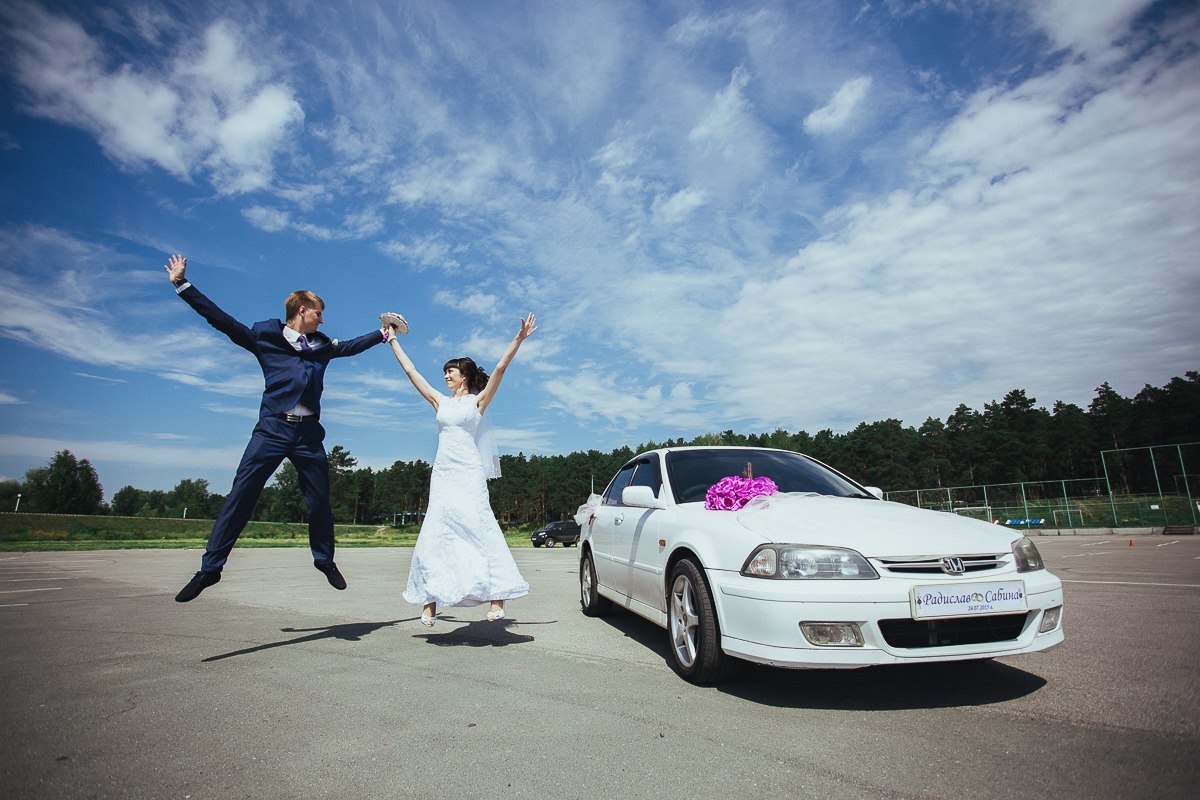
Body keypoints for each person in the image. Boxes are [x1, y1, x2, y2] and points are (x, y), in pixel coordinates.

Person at [164, 254, 389, 602]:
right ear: (300, 309)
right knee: (241, 496)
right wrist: (182, 285)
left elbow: (349, 347)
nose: (323, 318)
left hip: (308, 435)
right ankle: (210, 569)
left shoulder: (322, 347)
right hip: (271, 430)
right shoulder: (264, 337)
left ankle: (324, 560)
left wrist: (381, 334)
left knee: (319, 502)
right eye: (318, 312)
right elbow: (221, 320)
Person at [383, 312, 536, 626]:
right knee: (436, 531)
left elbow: (499, 368)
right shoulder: (440, 402)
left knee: (479, 527)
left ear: (464, 375)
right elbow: (411, 371)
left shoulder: (477, 402)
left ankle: (497, 598)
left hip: (468, 472)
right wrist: (393, 340)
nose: (445, 376)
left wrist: (518, 339)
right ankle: (430, 602)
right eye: (444, 373)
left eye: (450, 371)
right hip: (443, 473)